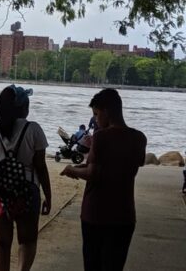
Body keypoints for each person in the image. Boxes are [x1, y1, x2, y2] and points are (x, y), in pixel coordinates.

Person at [61, 89, 147, 271]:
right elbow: (119, 167)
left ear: (106, 111)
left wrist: (72, 170)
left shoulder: (101, 137)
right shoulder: (139, 138)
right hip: (124, 215)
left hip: (97, 214)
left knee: (93, 265)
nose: (96, 119)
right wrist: (80, 168)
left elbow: (93, 173)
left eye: (96, 114)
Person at [0, 85, 52, 271]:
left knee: (2, 242)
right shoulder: (33, 129)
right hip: (27, 191)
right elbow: (41, 166)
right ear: (23, 108)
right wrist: (48, 194)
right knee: (27, 240)